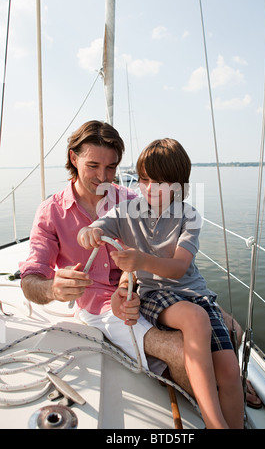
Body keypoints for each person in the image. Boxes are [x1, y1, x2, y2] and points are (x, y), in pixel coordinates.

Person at [20, 120, 261, 409]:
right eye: (93, 165)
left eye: (111, 167)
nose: (103, 176)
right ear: (74, 158)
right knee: (184, 350)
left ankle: (227, 380)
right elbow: (30, 281)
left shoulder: (132, 199)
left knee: (231, 328)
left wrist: (126, 288)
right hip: (100, 307)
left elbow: (152, 253)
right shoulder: (51, 212)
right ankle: (218, 399)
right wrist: (54, 289)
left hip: (144, 290)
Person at [77, 138, 244, 429]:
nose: (150, 188)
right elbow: (97, 227)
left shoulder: (189, 216)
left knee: (230, 371)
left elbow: (179, 268)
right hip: (158, 294)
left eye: (161, 182)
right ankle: (215, 424)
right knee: (195, 318)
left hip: (196, 293)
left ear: (180, 185)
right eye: (144, 179)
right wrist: (87, 233)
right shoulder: (127, 211)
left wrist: (140, 259)